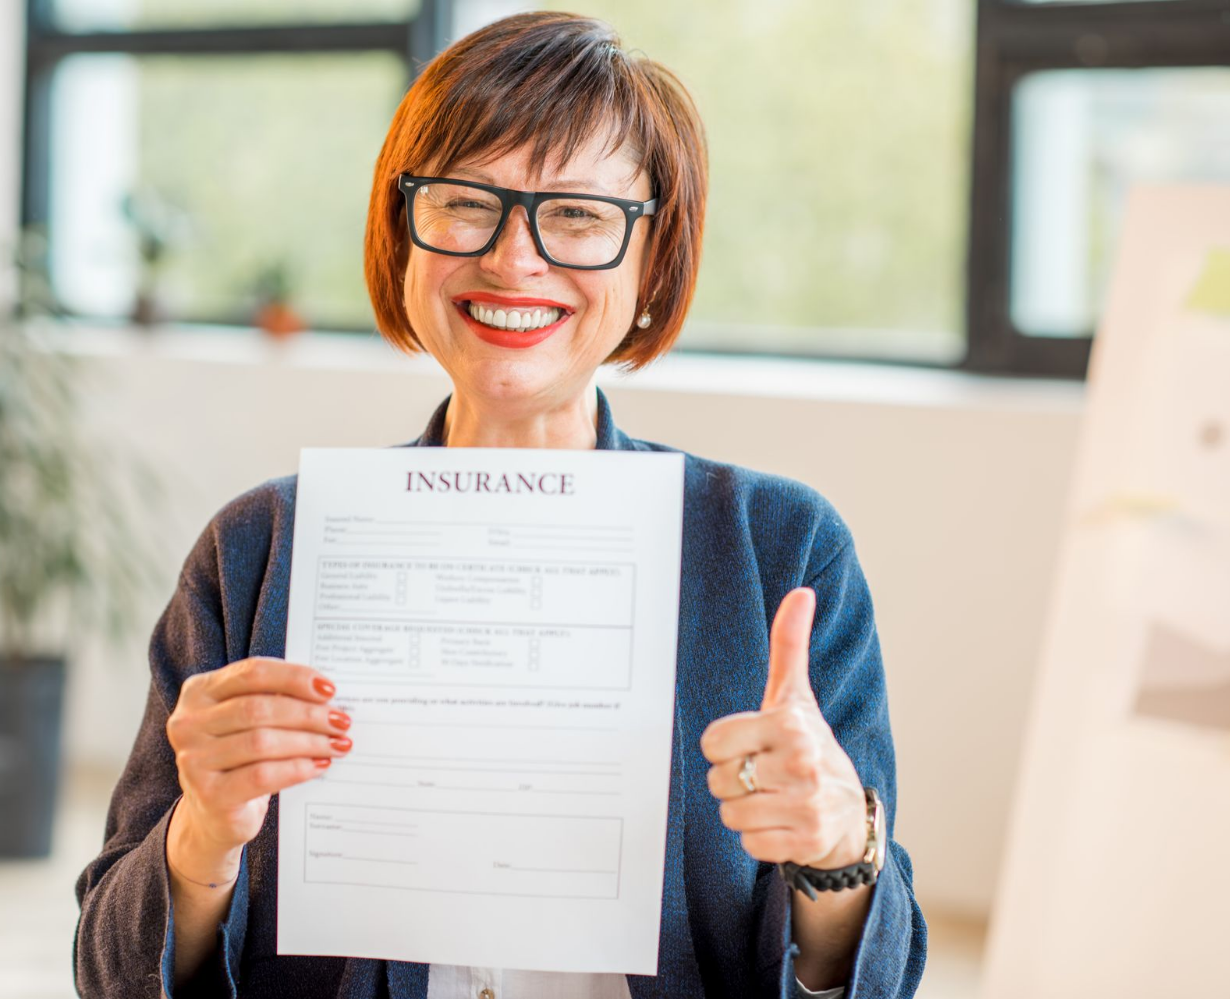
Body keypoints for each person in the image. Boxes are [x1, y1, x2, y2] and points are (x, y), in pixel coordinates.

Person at [74, 12, 927, 998]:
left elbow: (878, 977)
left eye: (576, 214)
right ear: (405, 236)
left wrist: (839, 851)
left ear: (653, 262)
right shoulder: (262, 548)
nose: (515, 260)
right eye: (466, 202)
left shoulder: (780, 552)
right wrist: (200, 838)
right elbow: (109, 973)